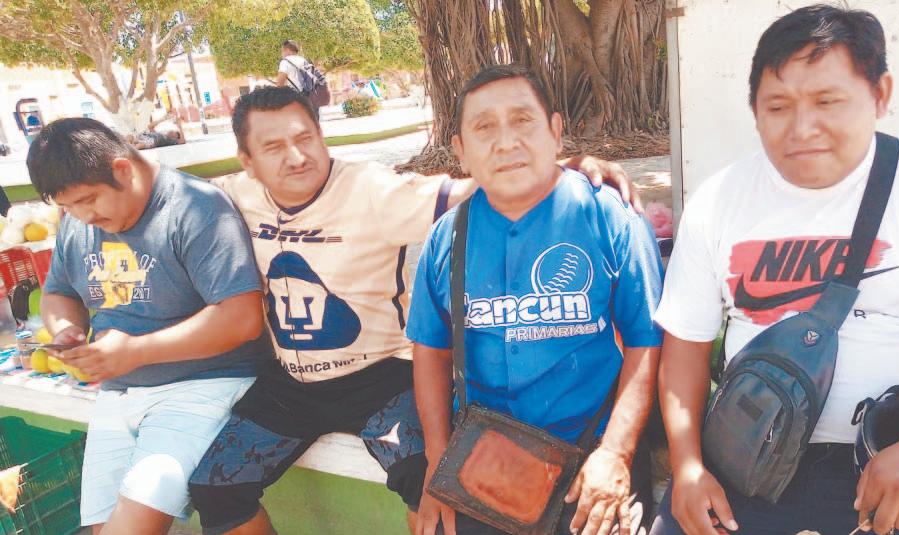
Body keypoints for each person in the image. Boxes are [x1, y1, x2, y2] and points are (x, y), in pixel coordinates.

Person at [186, 85, 645, 535]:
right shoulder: (230, 197)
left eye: (305, 138)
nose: (296, 156)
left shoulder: (373, 190)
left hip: (380, 378)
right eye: (273, 147)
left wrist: (559, 166)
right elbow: (168, 194)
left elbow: (479, 186)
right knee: (214, 487)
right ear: (247, 162)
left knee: (427, 484)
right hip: (291, 383)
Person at [651, 5, 899, 535]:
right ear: (754, 111)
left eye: (827, 102)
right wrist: (687, 467)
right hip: (749, 458)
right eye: (778, 106)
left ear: (880, 95)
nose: (802, 129)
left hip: (895, 460)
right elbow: (684, 347)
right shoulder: (719, 200)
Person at [407, 64, 664, 535]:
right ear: (460, 151)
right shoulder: (447, 237)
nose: (506, 142)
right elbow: (430, 351)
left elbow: (647, 341)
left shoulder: (610, 218)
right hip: (485, 458)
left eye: (522, 120)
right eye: (484, 127)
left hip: (591, 454)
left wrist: (616, 452)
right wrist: (437, 458)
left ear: (556, 131)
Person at [26, 117, 272, 535]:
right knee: (101, 528)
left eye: (88, 200)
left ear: (123, 169)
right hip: (118, 394)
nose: (83, 216)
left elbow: (242, 317)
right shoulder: (78, 221)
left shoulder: (196, 207)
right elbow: (59, 293)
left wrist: (136, 352)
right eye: (69, 207)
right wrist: (65, 329)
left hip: (204, 385)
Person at [276, 39, 328, 115]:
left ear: (287, 50)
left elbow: (280, 83)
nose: (282, 53)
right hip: (310, 99)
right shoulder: (303, 60)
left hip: (295, 100)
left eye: (282, 51)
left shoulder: (285, 62)